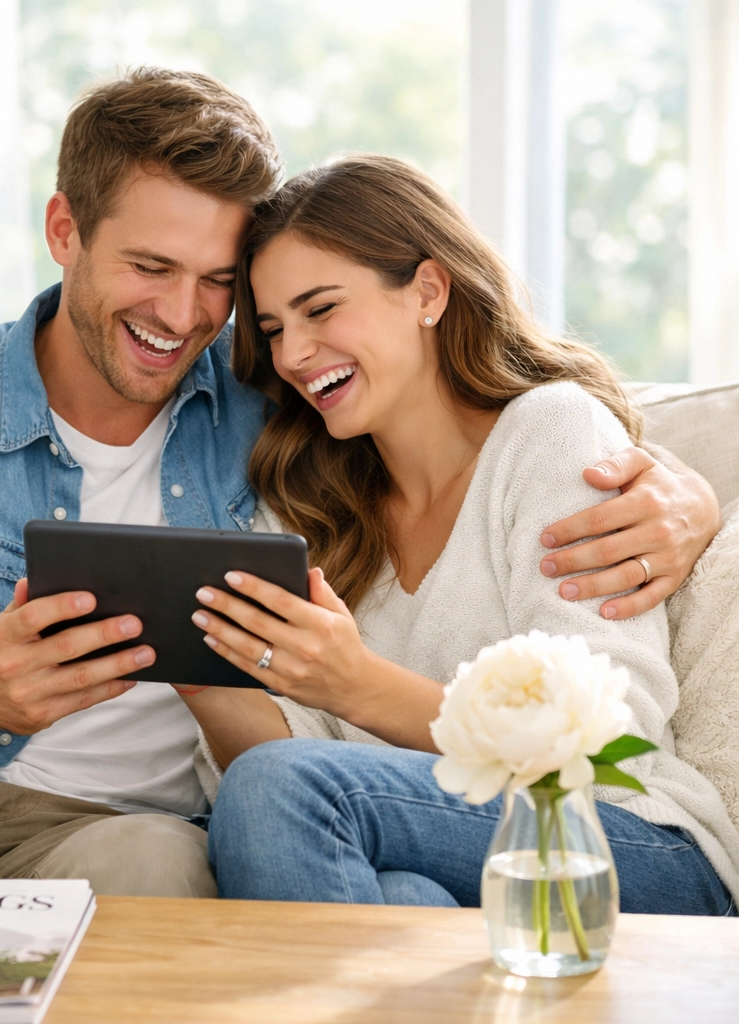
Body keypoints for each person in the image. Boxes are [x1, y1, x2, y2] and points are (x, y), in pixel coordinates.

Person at [0, 69, 720, 893]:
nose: (187, 315)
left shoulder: (290, 414)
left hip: (138, 829)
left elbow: (502, 421)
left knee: (197, 847)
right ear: (64, 231)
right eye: (151, 265)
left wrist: (694, 499)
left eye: (220, 285)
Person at [179, 155, 739, 915]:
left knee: (287, 788)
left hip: (620, 839)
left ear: (429, 292)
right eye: (274, 329)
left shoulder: (551, 432)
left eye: (321, 309)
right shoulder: (309, 504)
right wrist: (203, 678)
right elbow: (277, 798)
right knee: (404, 898)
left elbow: (607, 738)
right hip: (447, 857)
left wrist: (357, 685)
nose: (293, 355)